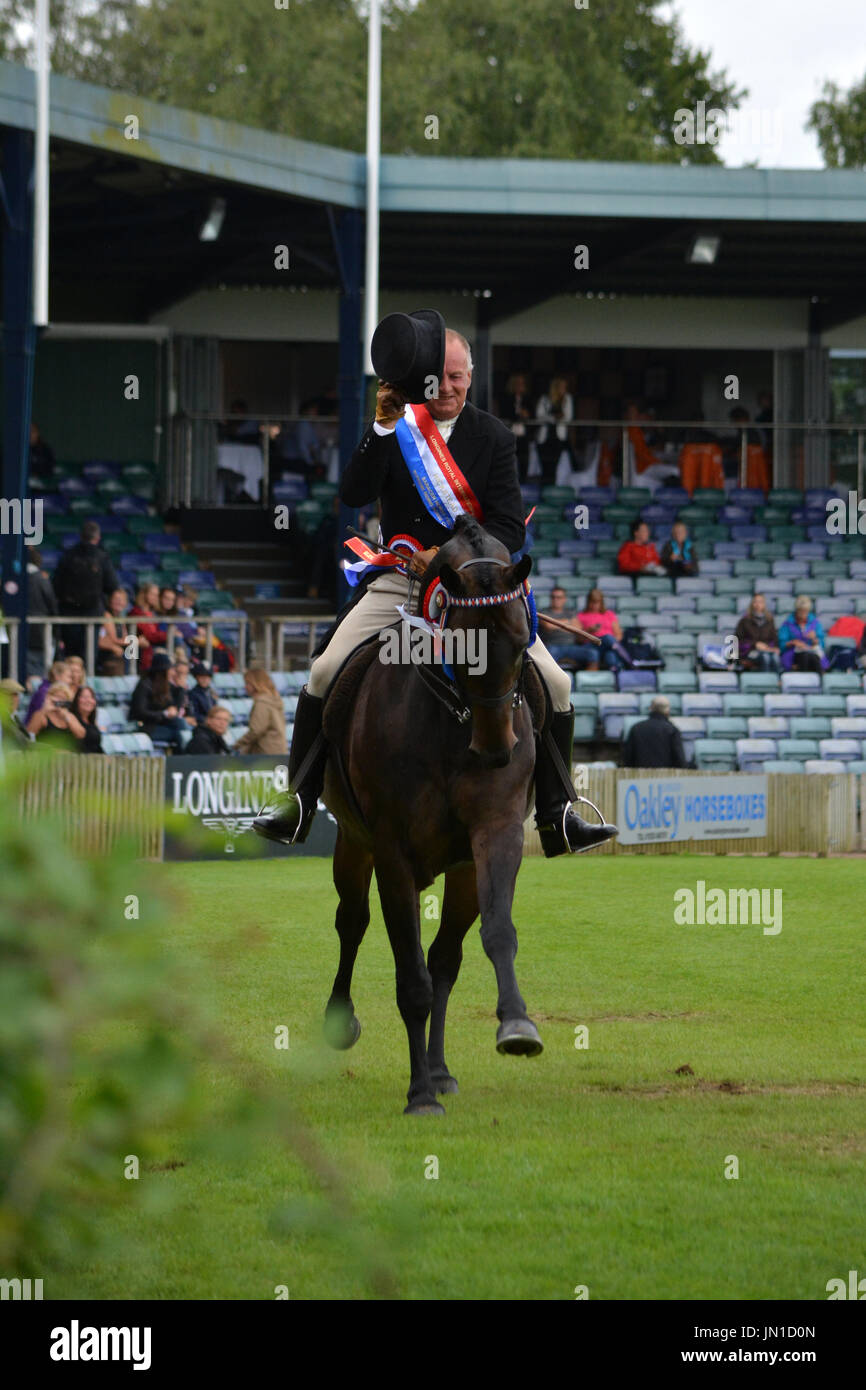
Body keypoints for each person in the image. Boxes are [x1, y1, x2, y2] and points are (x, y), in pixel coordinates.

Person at [253, 319, 616, 857]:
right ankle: (298, 801)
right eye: (437, 378)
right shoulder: (398, 428)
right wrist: (379, 428)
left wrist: (452, 557)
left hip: (478, 593)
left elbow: (511, 528)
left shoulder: (493, 436)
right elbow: (353, 492)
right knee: (324, 671)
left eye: (457, 377)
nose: (446, 388)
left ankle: (558, 814)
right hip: (400, 584)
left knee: (558, 684)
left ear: (470, 376)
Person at [51, 520, 119, 660]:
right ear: (97, 538)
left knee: (71, 654)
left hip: (69, 613)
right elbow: (112, 585)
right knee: (88, 654)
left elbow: (56, 585)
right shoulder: (102, 557)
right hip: (92, 613)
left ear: (81, 536)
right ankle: (85, 679)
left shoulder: (68, 556)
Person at [129, 652, 189, 751]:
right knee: (180, 733)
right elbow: (139, 712)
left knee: (180, 723)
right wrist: (163, 714)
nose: (173, 673)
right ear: (162, 670)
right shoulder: (144, 685)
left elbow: (175, 709)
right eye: (170, 669)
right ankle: (185, 759)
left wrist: (181, 689)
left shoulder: (166, 686)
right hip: (147, 727)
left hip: (161, 724)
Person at [622, 696, 687, 769]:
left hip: (639, 777)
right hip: (665, 777)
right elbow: (679, 760)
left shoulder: (636, 728)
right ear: (667, 710)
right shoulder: (672, 730)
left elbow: (628, 758)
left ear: (651, 708)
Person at [234, 668, 288, 755]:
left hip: (265, 752)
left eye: (247, 683)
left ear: (256, 684)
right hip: (277, 750)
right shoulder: (273, 699)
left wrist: (237, 745)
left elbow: (256, 730)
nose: (245, 687)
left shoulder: (262, 703)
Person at [25, 681, 87, 751]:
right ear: (49, 697)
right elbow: (28, 736)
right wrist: (45, 710)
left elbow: (81, 735)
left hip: (69, 758)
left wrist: (66, 717)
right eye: (57, 696)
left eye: (63, 698)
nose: (59, 700)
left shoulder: (69, 716)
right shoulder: (41, 715)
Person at [25, 548, 58, 677]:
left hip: (21, 633)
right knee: (41, 669)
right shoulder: (42, 579)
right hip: (41, 632)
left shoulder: (14, 578)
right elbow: (52, 605)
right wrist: (57, 632)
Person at [535, 375, 574, 482]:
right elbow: (539, 416)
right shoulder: (545, 399)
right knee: (545, 467)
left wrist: (557, 417)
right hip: (544, 438)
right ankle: (544, 491)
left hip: (558, 438)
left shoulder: (567, 398)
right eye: (562, 387)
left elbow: (568, 417)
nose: (564, 389)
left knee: (554, 466)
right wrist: (553, 418)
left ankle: (551, 490)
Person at [575, 588, 625, 671]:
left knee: (610, 655)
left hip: (607, 646)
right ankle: (628, 661)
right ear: (588, 602)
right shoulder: (581, 616)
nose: (594, 605)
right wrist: (589, 631)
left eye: (597, 602)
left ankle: (615, 677)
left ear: (601, 603)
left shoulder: (609, 614)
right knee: (608, 638)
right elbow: (579, 640)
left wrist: (608, 642)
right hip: (591, 645)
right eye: (592, 602)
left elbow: (619, 635)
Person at [778, 596, 829, 673]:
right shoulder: (788, 623)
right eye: (801, 611)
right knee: (805, 656)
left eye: (805, 611)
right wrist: (793, 642)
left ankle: (820, 680)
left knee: (812, 657)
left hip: (812, 651)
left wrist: (814, 639)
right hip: (793, 654)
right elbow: (782, 644)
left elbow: (821, 643)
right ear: (796, 610)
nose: (803, 614)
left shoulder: (815, 622)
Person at [501, 372, 534, 482]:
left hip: (524, 435)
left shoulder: (528, 399)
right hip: (510, 434)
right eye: (518, 383)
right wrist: (518, 413)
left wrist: (527, 414)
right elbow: (504, 413)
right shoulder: (507, 398)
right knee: (508, 461)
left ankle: (523, 483)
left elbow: (533, 415)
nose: (520, 386)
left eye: (522, 383)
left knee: (524, 460)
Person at [735, 594, 781, 672]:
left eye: (760, 602)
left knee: (775, 657)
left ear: (764, 605)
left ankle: (777, 681)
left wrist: (773, 647)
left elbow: (774, 639)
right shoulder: (744, 621)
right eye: (755, 602)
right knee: (765, 657)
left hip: (767, 650)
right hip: (750, 652)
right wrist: (755, 644)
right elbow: (738, 641)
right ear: (752, 604)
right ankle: (765, 682)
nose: (758, 605)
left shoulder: (769, 620)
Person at [96, 588, 131, 677]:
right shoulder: (107, 616)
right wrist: (134, 641)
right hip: (105, 654)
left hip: (117, 652)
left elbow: (124, 637)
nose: (118, 602)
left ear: (126, 603)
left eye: (121, 600)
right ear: (110, 601)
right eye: (116, 599)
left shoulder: (120, 617)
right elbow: (113, 639)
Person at [128, 583, 163, 672]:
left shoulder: (154, 613)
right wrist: (169, 635)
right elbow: (149, 635)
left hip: (151, 646)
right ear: (144, 594)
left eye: (157, 595)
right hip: (138, 649)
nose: (155, 597)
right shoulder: (135, 612)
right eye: (152, 594)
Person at [25, 659, 70, 724]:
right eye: (68, 677)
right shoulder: (43, 693)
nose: (70, 681)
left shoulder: (49, 689)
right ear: (57, 676)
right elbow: (38, 718)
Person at [70, 685, 103, 754]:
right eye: (84, 697)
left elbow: (97, 747)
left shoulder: (92, 722)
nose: (89, 700)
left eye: (91, 697)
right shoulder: (71, 720)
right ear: (77, 700)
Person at [0, 678, 31, 750]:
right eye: (10, 695)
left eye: (16, 695)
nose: (14, 699)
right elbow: (23, 743)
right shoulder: (3, 718)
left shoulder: (14, 716)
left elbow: (26, 738)